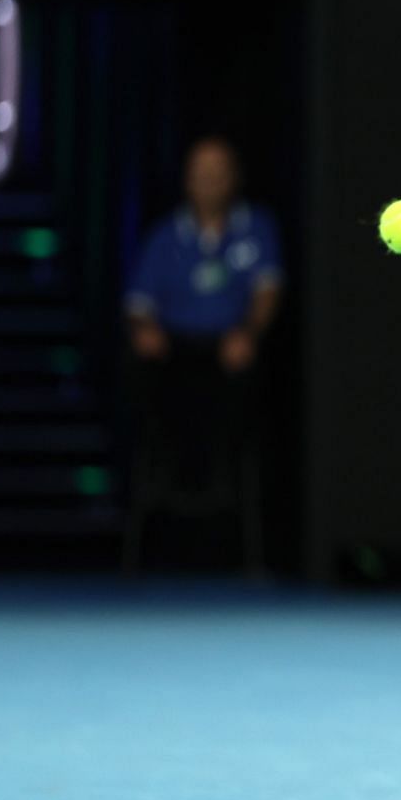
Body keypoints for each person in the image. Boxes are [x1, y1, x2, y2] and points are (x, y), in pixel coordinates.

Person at [123, 137, 283, 529]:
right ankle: (163, 483)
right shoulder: (164, 236)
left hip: (229, 352)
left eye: (218, 172)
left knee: (247, 378)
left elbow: (268, 290)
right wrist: (145, 331)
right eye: (200, 173)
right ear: (187, 181)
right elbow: (138, 305)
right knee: (138, 372)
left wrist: (249, 332)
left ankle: (222, 481)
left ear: (234, 178)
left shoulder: (257, 228)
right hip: (175, 356)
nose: (209, 181)